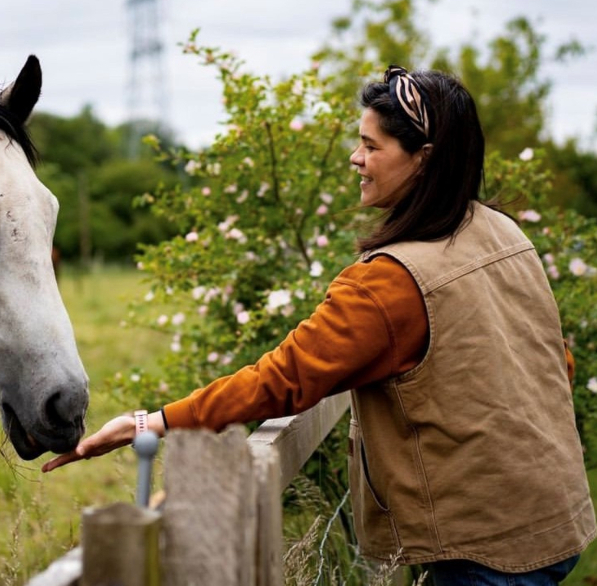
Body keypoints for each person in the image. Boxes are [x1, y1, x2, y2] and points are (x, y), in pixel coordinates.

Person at [43, 66, 596, 585]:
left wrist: (151, 422)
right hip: (557, 517)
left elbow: (281, 380)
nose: (355, 158)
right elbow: (557, 360)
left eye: (372, 146)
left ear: (423, 159)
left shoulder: (390, 282)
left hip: (485, 549)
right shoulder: (502, 231)